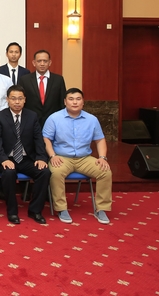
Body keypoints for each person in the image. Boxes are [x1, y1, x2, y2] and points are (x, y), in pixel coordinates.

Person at [43, 88, 112, 225]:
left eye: (78, 99)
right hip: (61, 157)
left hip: (84, 158)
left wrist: (102, 157)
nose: (75, 102)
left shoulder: (92, 119)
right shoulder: (54, 118)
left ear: (83, 102)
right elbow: (46, 139)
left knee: (105, 172)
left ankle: (101, 209)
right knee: (56, 173)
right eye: (71, 99)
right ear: (65, 102)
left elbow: (100, 140)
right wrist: (52, 156)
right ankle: (61, 208)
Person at [0, 85, 49, 224]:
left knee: (44, 172)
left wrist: (41, 158)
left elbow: (38, 139)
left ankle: (35, 210)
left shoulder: (32, 116)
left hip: (26, 158)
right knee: (9, 173)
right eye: (13, 98)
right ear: (7, 100)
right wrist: (4, 159)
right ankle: (12, 211)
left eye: (20, 98)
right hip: (8, 158)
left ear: (25, 100)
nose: (17, 102)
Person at [20, 50, 67, 127]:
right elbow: (22, 102)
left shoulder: (58, 79)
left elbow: (63, 102)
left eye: (45, 61)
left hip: (54, 122)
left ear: (50, 63)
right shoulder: (25, 80)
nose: (42, 64)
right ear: (34, 63)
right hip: (30, 122)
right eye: (39, 61)